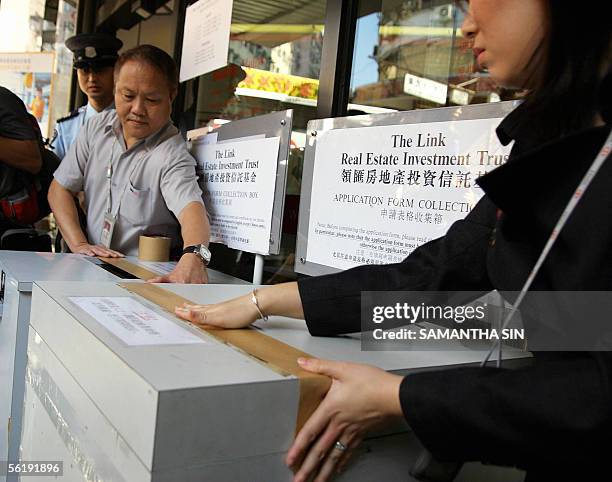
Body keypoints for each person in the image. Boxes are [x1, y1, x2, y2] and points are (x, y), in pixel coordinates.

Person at [175, 1, 612, 480]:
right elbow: (433, 274)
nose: (467, 25)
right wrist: (261, 301)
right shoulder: (550, 138)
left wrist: (401, 397)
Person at [48, 45, 211, 284]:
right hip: (89, 268)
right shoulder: (97, 128)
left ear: (171, 95)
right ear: (115, 90)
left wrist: (194, 257)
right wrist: (79, 244)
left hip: (139, 278)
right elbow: (59, 189)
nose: (137, 109)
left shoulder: (171, 153)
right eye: (127, 96)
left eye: (151, 99)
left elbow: (191, 209)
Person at [51, 33, 122, 159]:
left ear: (115, 72)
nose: (92, 78)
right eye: (84, 70)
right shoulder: (66, 127)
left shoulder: (131, 121)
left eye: (100, 70)